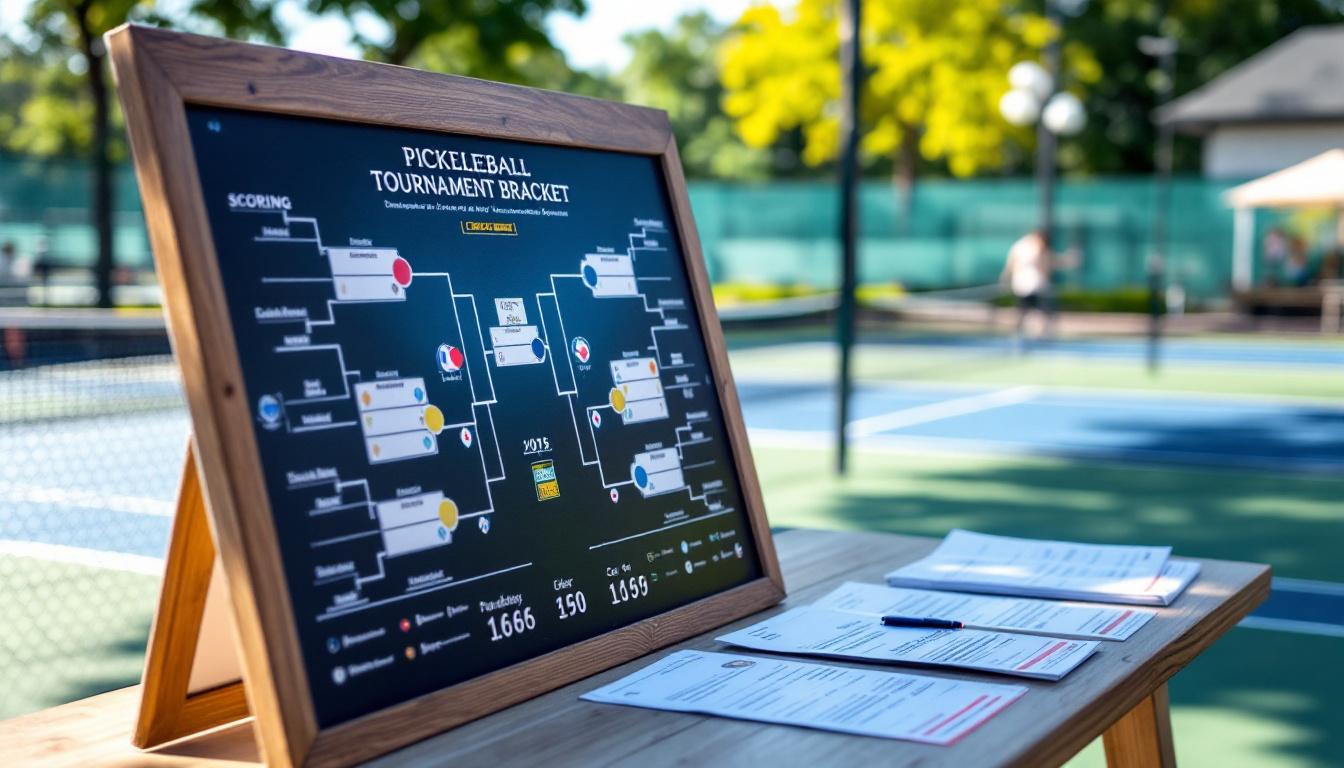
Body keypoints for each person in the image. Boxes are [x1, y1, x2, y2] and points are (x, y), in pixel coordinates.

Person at [1001, 228, 1054, 346]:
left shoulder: (1034, 247)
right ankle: (1019, 334)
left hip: (1037, 286)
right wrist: (1006, 278)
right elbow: (1012, 263)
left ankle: (1043, 334)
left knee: (1042, 312)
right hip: (1025, 286)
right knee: (1023, 312)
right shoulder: (1025, 247)